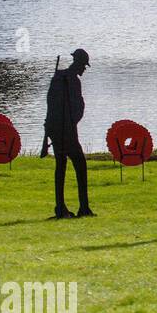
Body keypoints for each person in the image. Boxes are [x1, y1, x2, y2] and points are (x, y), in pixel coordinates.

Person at [44, 49, 93, 220]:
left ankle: (61, 207)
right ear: (79, 63)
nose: (84, 70)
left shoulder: (58, 77)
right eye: (84, 66)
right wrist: (71, 123)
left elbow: (50, 103)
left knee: (61, 165)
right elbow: (78, 107)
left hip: (55, 128)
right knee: (79, 164)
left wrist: (49, 128)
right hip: (66, 130)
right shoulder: (73, 80)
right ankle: (83, 207)